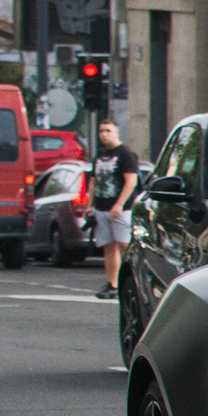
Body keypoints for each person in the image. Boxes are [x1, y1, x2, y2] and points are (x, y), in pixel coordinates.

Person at [88, 118, 139, 300]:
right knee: (108, 248)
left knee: (124, 246)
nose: (104, 134)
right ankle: (113, 283)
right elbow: (93, 183)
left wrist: (119, 204)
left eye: (108, 131)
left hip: (121, 210)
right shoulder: (100, 156)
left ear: (117, 132)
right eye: (101, 131)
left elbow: (131, 181)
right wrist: (89, 207)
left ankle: (134, 282)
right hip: (101, 208)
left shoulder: (126, 154)